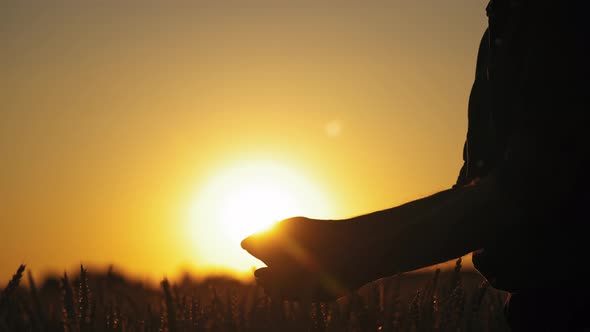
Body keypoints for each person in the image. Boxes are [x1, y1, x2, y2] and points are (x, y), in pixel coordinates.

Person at [241, 0, 589, 330]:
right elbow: (493, 186)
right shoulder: (507, 21)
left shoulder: (557, 14)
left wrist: (351, 249)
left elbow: (531, 184)